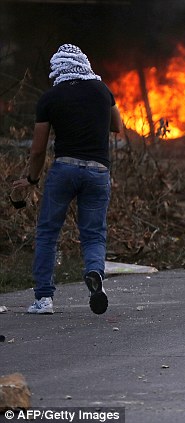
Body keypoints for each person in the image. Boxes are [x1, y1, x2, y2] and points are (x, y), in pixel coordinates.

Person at [12, 43, 123, 315]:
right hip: (98, 171)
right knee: (94, 233)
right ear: (84, 63)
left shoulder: (51, 97)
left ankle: (44, 299)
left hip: (65, 169)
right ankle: (95, 275)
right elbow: (117, 127)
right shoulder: (102, 91)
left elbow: (38, 149)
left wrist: (31, 179)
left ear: (57, 68)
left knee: (48, 233)